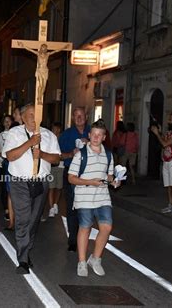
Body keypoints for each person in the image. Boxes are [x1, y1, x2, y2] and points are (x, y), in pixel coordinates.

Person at [2, 103, 61, 274]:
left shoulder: (49, 135)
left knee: (33, 220)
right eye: (30, 114)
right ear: (22, 116)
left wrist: (41, 154)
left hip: (41, 182)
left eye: (36, 114)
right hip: (19, 182)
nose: (33, 118)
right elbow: (10, 156)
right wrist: (30, 142)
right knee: (23, 219)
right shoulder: (15, 133)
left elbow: (56, 159)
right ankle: (22, 260)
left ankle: (26, 251)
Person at [67, 120, 120, 277]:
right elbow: (71, 178)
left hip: (103, 197)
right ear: (89, 135)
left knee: (106, 228)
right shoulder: (80, 155)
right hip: (84, 197)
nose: (96, 137)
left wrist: (114, 180)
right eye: (94, 134)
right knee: (85, 227)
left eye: (100, 135)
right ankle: (82, 262)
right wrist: (89, 182)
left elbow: (109, 175)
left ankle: (95, 259)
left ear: (104, 137)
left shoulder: (108, 155)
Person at [58, 107, 91, 252]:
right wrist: (72, 153)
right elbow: (58, 156)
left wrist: (90, 144)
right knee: (72, 207)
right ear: (72, 118)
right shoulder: (66, 135)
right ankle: (73, 240)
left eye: (81, 115)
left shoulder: (94, 132)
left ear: (86, 116)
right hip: (71, 173)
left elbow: (104, 150)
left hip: (89, 174)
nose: (79, 118)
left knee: (86, 208)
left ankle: (82, 237)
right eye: (76, 116)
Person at [151, 112, 172, 215]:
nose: (167, 121)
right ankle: (170, 204)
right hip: (166, 160)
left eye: (170, 119)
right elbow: (163, 142)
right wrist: (160, 133)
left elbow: (165, 143)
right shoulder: (170, 132)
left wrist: (157, 134)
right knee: (168, 184)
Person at [0, 115, 15, 229]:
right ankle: (7, 209)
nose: (7, 123)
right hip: (2, 163)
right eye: (5, 121)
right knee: (4, 186)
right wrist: (2, 153)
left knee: (12, 188)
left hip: (13, 163)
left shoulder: (16, 134)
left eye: (9, 121)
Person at [46, 122, 63, 219]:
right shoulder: (49, 138)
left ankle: (56, 204)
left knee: (59, 187)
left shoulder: (62, 138)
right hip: (51, 165)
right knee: (51, 187)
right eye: (53, 128)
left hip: (61, 165)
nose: (55, 131)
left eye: (57, 129)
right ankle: (51, 207)